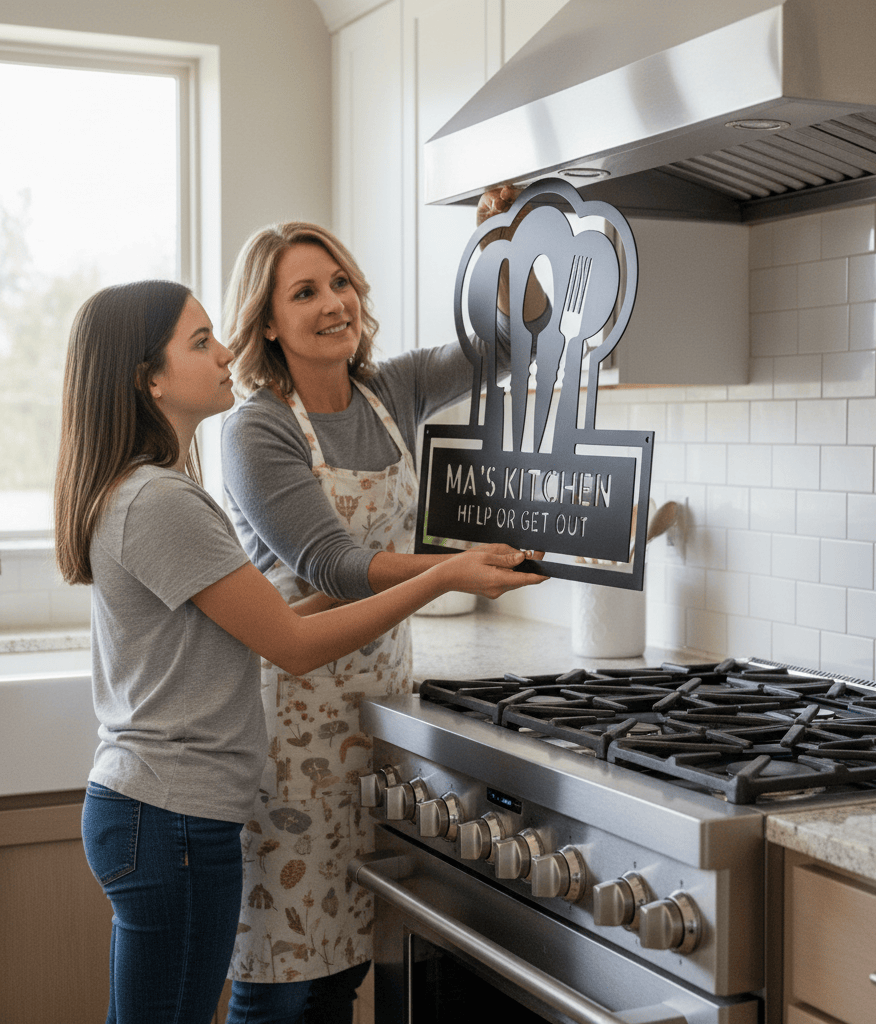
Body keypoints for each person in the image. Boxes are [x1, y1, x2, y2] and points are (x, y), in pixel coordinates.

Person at [53, 279, 545, 1024]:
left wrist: (417, 574)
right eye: (199, 342)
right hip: (172, 818)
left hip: (153, 811)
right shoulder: (160, 500)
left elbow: (262, 620)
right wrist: (443, 572)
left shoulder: (145, 491)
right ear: (147, 378)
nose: (225, 355)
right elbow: (290, 647)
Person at [220, 187, 545, 1023]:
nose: (334, 304)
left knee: (353, 962)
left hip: (379, 717)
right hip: (291, 724)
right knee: (289, 978)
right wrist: (445, 569)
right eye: (304, 293)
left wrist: (502, 247)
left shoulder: (389, 391)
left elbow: (514, 340)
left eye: (341, 283)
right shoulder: (257, 427)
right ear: (266, 323)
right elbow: (330, 562)